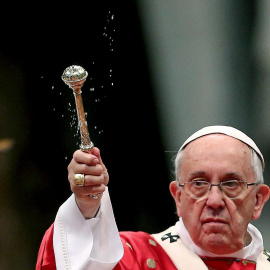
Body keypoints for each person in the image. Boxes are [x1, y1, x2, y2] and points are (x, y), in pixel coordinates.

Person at [36, 126, 270, 269]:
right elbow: (75, 263)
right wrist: (86, 204)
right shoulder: (134, 258)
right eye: (199, 184)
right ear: (178, 198)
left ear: (258, 200)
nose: (215, 201)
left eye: (231, 184)